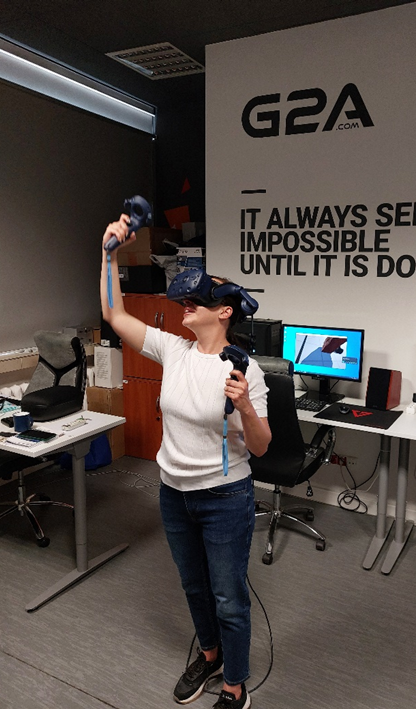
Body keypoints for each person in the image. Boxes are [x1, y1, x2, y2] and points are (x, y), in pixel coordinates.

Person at [101, 214, 271, 709]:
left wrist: (244, 405)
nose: (185, 308)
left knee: (228, 598)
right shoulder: (173, 349)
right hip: (173, 493)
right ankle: (210, 655)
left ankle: (235, 685)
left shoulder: (246, 371)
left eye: (196, 302)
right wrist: (109, 255)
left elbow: (261, 447)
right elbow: (113, 313)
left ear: (224, 313)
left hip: (225, 497)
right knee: (194, 585)